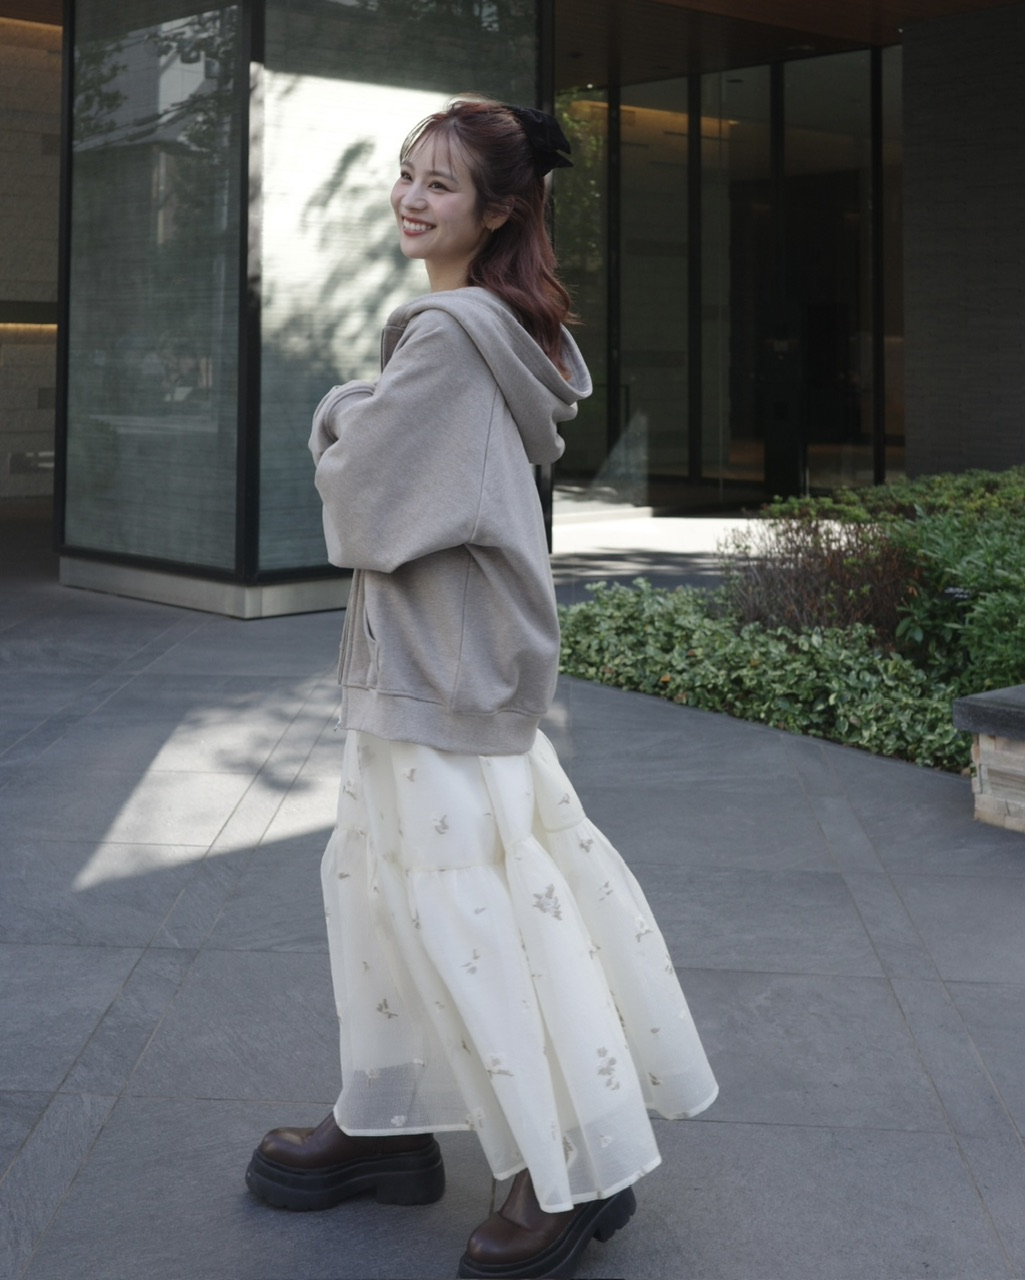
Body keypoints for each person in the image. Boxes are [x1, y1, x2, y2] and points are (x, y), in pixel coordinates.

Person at [245, 96, 718, 1280]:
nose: (410, 197)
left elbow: (362, 507)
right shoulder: (496, 331)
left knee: (468, 917)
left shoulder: (449, 338)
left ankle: (564, 1168)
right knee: (396, 897)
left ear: (498, 210)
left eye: (440, 183)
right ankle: (383, 1115)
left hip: (437, 674)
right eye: (407, 174)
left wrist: (337, 406)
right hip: (437, 665)